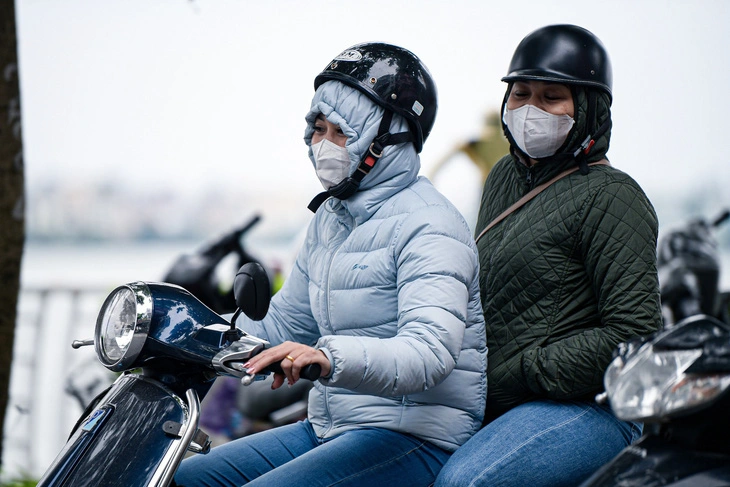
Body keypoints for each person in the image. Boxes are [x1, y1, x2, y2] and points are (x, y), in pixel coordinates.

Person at [174, 42, 487, 487]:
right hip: (330, 426)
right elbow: (287, 322)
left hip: (416, 435)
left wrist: (326, 358)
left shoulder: (431, 224)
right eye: (318, 129)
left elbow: (429, 352)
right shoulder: (331, 220)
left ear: (390, 137)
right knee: (181, 478)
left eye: (342, 131)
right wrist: (187, 334)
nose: (324, 145)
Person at [435, 24, 663, 487]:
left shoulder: (614, 196)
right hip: (499, 398)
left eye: (551, 97)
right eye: (520, 94)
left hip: (587, 406)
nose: (530, 110)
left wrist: (526, 369)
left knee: (464, 483)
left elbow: (634, 333)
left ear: (589, 107)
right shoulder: (503, 177)